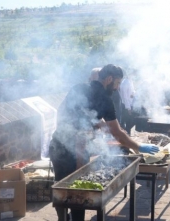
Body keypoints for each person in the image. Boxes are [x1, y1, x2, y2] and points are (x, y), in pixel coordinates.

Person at [49, 64, 159, 221]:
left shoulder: (78, 87)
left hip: (57, 144)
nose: (117, 88)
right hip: (75, 150)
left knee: (61, 187)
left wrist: (95, 125)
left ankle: (62, 219)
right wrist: (139, 147)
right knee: (79, 192)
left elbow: (64, 113)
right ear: (109, 79)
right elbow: (118, 134)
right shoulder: (106, 101)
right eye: (117, 83)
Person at [119, 69, 136, 135]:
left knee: (129, 123)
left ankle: (127, 135)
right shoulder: (125, 83)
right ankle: (125, 137)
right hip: (125, 106)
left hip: (129, 105)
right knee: (126, 123)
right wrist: (128, 108)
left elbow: (132, 92)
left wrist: (133, 94)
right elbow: (125, 97)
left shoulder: (130, 82)